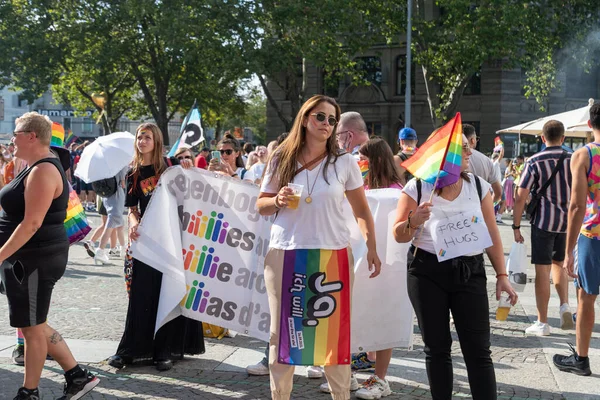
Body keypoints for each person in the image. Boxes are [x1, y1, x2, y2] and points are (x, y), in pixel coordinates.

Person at [257, 95, 381, 400]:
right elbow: (261, 205)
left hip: (332, 255)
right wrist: (277, 201)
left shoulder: (345, 162)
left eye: (332, 119)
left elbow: (362, 211)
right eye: (320, 117)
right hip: (286, 252)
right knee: (281, 333)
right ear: (305, 118)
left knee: (335, 337)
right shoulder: (281, 158)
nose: (326, 124)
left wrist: (372, 248)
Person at [392, 134, 517, 400]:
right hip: (427, 272)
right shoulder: (417, 187)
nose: (470, 153)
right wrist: (414, 221)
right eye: (464, 149)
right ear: (444, 155)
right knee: (436, 348)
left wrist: (502, 275)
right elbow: (398, 234)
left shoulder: (479, 186)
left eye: (469, 147)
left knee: (478, 350)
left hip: (469, 271)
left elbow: (492, 233)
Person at [0, 112, 99, 399]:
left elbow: (31, 223)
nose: (11, 139)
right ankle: (77, 376)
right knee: (35, 323)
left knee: (31, 328)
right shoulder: (35, 166)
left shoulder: (43, 170)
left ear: (32, 136)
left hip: (33, 259)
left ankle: (29, 391)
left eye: (15, 133)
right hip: (27, 258)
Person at [107, 123, 205, 371]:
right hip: (146, 243)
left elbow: (191, 196)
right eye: (140, 137)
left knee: (167, 293)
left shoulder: (170, 167)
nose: (142, 141)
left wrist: (189, 171)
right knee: (141, 296)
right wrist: (133, 223)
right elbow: (131, 209)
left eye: (147, 137)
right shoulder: (133, 174)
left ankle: (165, 350)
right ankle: (130, 350)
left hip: (172, 241)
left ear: (156, 141)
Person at [347, 137, 401, 399]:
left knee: (385, 317)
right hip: (356, 260)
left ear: (375, 160)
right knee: (352, 312)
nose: (358, 161)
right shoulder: (355, 187)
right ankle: (345, 372)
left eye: (362, 157)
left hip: (387, 264)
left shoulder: (397, 189)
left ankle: (380, 378)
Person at [513, 120, 573, 336]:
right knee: (559, 265)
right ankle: (565, 304)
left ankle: (543, 322)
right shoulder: (573, 158)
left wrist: (516, 225)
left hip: (543, 222)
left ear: (542, 138)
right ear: (563, 138)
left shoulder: (535, 161)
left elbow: (520, 196)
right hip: (567, 223)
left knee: (542, 270)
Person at [553, 104, 600, 376]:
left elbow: (576, 207)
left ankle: (581, 360)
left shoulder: (584, 155)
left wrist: (568, 250)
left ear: (590, 124)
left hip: (593, 236)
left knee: (586, 298)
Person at [91, 167, 128, 265]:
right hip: (117, 196)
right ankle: (100, 251)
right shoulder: (120, 164)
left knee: (119, 224)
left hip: (107, 196)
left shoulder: (104, 164)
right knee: (110, 225)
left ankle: (123, 248)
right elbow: (123, 184)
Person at [462, 124, 502, 203]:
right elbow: (498, 192)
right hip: (479, 208)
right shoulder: (486, 160)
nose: (469, 153)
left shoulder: (450, 159)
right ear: (473, 140)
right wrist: (487, 206)